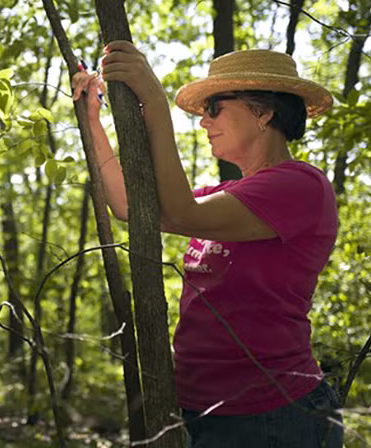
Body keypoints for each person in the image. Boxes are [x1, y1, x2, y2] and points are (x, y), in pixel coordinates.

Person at [72, 43, 343, 448]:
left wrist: (154, 101)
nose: (203, 122)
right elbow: (130, 206)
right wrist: (91, 120)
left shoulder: (299, 186)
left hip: (273, 414)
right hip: (204, 410)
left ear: (264, 111)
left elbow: (181, 214)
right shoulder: (224, 194)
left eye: (214, 107)